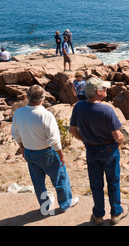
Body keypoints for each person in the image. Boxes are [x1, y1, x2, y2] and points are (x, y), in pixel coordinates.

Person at [11, 85, 78, 214]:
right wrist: (61, 155)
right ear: (43, 98)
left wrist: (22, 148)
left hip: (29, 152)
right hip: (47, 153)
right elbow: (54, 139)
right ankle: (65, 204)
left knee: (38, 183)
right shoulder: (45, 115)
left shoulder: (19, 113)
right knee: (60, 179)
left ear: (27, 97)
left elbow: (15, 134)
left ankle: (45, 206)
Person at [69, 77, 127, 226]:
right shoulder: (106, 109)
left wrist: (85, 139)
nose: (106, 90)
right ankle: (116, 214)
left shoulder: (79, 106)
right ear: (98, 92)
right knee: (113, 182)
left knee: (96, 184)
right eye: (104, 88)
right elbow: (118, 135)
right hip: (108, 149)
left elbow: (72, 130)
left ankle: (98, 216)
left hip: (91, 149)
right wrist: (120, 143)